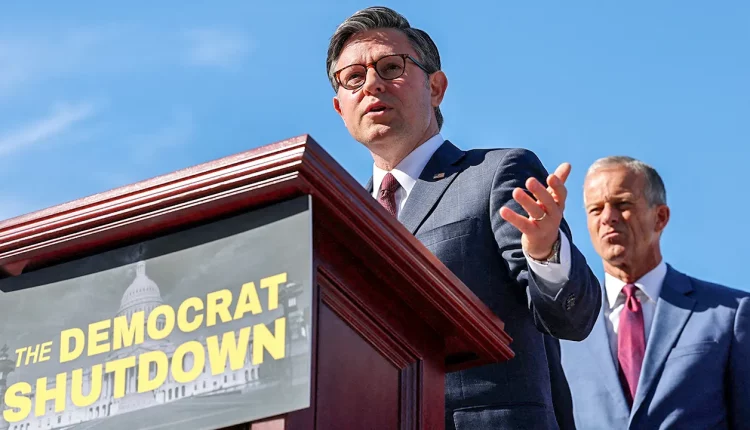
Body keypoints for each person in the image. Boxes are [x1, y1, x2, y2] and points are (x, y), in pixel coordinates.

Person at [326, 7, 601, 429]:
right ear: (340, 108)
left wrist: (546, 253)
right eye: (353, 78)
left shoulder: (496, 175)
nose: (372, 85)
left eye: (391, 67)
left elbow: (572, 317)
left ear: (436, 87)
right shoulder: (340, 219)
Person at [560, 156, 750, 429]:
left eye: (622, 204)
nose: (608, 217)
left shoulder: (730, 313)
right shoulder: (563, 328)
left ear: (660, 217)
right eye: (595, 209)